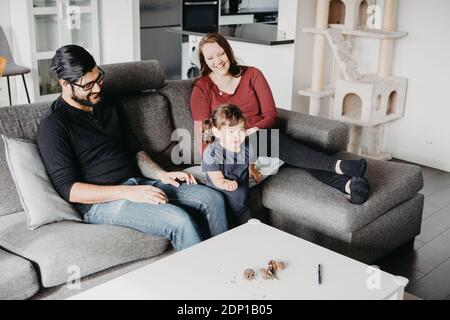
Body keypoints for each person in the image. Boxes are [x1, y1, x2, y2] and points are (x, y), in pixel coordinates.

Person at [37, 45, 228, 251]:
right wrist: (128, 193)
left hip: (140, 183)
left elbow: (135, 150)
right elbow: (70, 190)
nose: (97, 88)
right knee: (180, 220)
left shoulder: (108, 101)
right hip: (102, 205)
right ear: (65, 84)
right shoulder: (53, 125)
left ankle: (224, 267)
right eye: (88, 85)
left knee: (213, 199)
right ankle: (204, 280)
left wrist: (162, 174)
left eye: (98, 78)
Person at [190, 33, 370, 204]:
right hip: (232, 147)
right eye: (210, 58)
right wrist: (214, 166)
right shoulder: (202, 88)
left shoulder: (253, 75)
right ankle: (339, 166)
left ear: (228, 52)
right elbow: (205, 134)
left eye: (221, 54)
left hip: (262, 137)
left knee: (295, 152)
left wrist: (254, 130)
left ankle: (349, 185)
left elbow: (272, 116)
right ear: (204, 61)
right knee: (281, 145)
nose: (218, 61)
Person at [202, 104, 261, 226]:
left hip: (242, 206)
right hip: (221, 209)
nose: (237, 136)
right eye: (231, 131)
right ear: (217, 132)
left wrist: (252, 169)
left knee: (251, 233)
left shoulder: (247, 144)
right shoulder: (211, 153)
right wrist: (225, 183)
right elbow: (217, 179)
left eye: (241, 130)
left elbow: (251, 158)